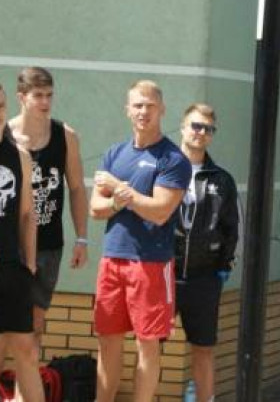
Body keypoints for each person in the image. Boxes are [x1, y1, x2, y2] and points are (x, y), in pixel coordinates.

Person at [90, 80, 191, 402]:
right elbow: (96, 209)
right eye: (137, 105)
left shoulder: (173, 159)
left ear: (161, 109)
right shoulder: (113, 153)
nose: (143, 111)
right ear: (127, 110)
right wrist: (121, 202)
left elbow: (160, 211)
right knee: (107, 340)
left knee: (146, 344)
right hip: (112, 259)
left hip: (150, 262)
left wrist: (120, 189)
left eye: (149, 105)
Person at [2, 67, 89, 344]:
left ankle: (24, 388)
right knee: (6, 331)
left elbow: (76, 188)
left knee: (35, 326)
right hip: (11, 244)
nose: (45, 102)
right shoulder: (7, 135)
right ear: (21, 97)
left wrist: (82, 238)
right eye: (38, 95)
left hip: (48, 243)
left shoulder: (65, 136)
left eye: (49, 95)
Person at [173, 104, 240, 402]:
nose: (201, 133)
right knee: (148, 346)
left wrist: (223, 264)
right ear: (183, 128)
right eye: (196, 126)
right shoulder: (164, 168)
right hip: (164, 274)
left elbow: (230, 226)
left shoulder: (221, 179)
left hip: (204, 278)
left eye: (208, 129)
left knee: (204, 348)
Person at [0, 83, 45, 402]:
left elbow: (28, 215)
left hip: (10, 269)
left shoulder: (20, 156)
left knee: (27, 351)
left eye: (1, 105)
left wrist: (29, 265)